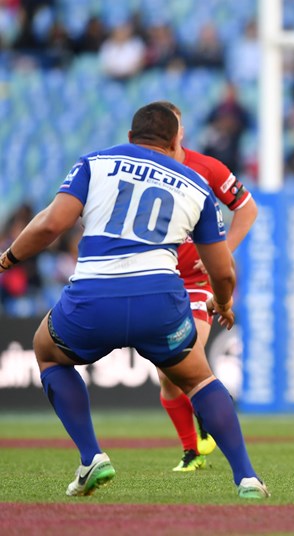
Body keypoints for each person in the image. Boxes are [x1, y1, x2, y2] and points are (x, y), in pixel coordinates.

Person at [2, 102, 268, 499]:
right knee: (198, 378)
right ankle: (246, 478)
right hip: (159, 301)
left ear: (130, 137)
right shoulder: (195, 185)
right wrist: (225, 302)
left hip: (93, 297)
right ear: (176, 141)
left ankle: (92, 456)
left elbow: (50, 225)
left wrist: (8, 259)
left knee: (47, 351)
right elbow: (223, 271)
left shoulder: (95, 163)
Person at [154, 100, 258, 472]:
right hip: (157, 280)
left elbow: (247, 207)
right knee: (166, 377)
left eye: (173, 126)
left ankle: (217, 442)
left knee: (185, 357)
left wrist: (222, 251)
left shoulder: (207, 167)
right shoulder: (143, 170)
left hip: (197, 283)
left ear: (181, 132)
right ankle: (194, 449)